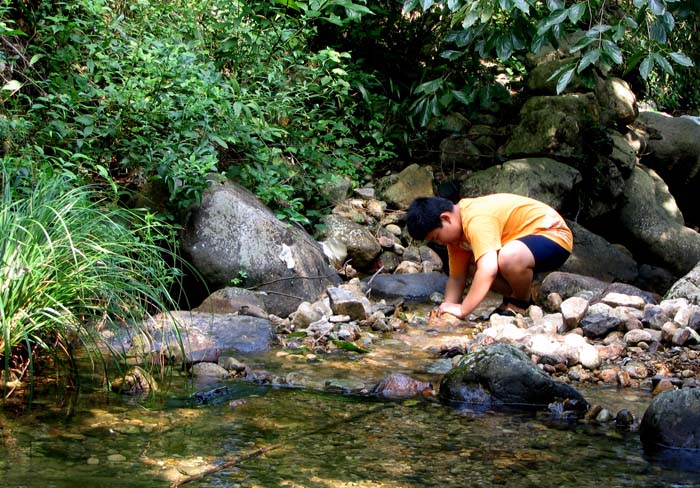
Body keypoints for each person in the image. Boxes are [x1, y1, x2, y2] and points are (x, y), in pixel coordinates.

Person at [406, 193, 573, 319]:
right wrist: (447, 310)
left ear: (446, 218)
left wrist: (463, 309)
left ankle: (520, 301)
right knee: (471, 265)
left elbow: (489, 269)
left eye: (436, 237)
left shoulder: (476, 218)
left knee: (508, 257)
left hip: (553, 235)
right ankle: (515, 296)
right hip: (524, 245)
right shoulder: (456, 239)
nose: (440, 243)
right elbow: (457, 278)